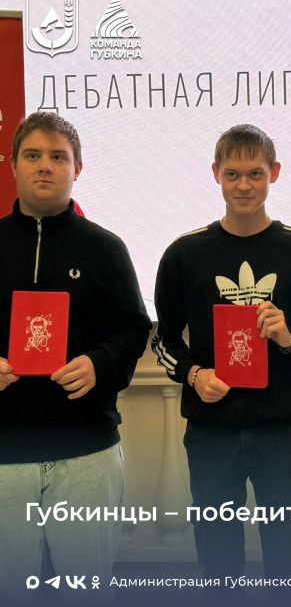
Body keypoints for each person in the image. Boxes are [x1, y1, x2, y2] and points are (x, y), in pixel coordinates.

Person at [152, 124, 291, 593]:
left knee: (287, 556)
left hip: (280, 427)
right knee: (217, 558)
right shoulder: (184, 253)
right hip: (211, 428)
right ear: (215, 173)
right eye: (232, 174)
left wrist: (289, 339)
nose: (243, 185)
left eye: (254, 173)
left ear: (274, 173)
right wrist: (194, 374)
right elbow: (163, 340)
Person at [0, 112, 151, 601]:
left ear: (77, 169)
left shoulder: (106, 248)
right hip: (4, 455)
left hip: (87, 451)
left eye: (58, 157)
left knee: (86, 592)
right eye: (33, 155)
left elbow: (133, 329)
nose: (45, 166)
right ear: (13, 166)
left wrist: (98, 364)